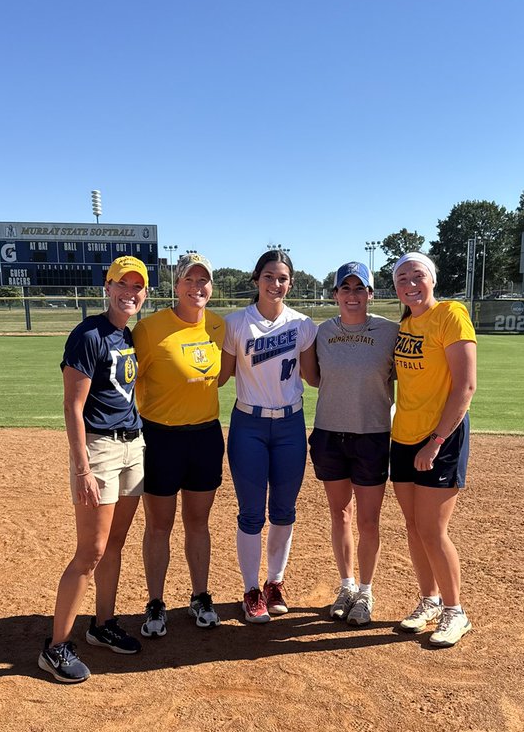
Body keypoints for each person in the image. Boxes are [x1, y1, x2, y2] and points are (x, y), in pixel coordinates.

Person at [39, 256, 148, 683]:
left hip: (132, 446)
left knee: (115, 543)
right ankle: (55, 648)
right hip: (100, 451)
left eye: (137, 287)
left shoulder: (128, 336)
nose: (130, 292)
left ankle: (102, 625)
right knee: (91, 552)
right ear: (108, 287)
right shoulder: (88, 335)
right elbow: (72, 405)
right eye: (123, 284)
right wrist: (82, 467)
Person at [219, 249, 317, 623]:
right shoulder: (236, 323)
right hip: (249, 425)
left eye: (282, 278)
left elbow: (312, 377)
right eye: (269, 277)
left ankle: (275, 582)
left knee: (284, 511)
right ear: (256, 279)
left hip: (291, 424)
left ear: (290, 283)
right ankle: (250, 590)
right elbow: (222, 375)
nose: (275, 284)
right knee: (250, 514)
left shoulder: (303, 324)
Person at [132, 253, 225, 637]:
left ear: (211, 287)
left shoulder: (218, 326)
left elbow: (220, 378)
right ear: (176, 285)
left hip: (204, 435)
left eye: (203, 280)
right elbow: (127, 380)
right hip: (161, 437)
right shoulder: (150, 329)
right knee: (159, 524)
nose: (197, 287)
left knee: (198, 522)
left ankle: (200, 596)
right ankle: (155, 602)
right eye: (190, 280)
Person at [303, 260, 399, 626]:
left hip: (372, 434)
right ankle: (346, 586)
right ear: (335, 294)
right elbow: (312, 378)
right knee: (339, 514)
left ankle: (366, 591)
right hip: (330, 433)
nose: (353, 295)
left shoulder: (390, 332)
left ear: (371, 294)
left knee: (368, 521)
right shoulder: (321, 332)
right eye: (346, 288)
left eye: (360, 289)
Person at [391, 252, 477, 648]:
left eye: (418, 275)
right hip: (402, 436)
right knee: (413, 527)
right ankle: (428, 600)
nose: (410, 282)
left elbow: (465, 387)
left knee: (432, 529)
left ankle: (455, 612)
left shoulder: (450, 315)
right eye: (402, 277)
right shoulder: (407, 322)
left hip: (439, 439)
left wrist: (436, 440)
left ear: (432, 279)